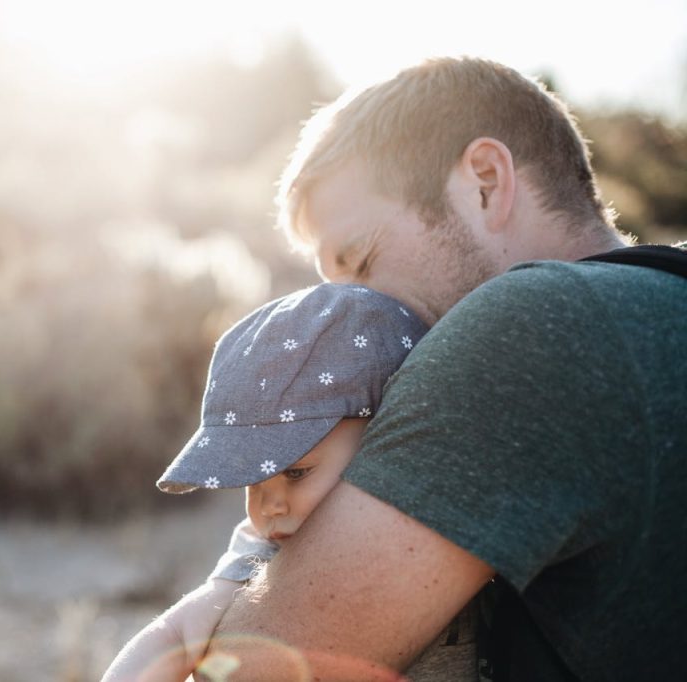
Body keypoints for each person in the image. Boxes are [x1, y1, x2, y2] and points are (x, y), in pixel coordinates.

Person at [198, 57, 687, 680]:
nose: (348, 315)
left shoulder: (528, 326)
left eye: (361, 261)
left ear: (485, 181)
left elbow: (253, 672)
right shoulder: (660, 302)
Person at [102, 283, 482, 682]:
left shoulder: (451, 506)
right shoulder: (265, 552)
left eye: (296, 472)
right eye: (252, 482)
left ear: (385, 436)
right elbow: (175, 632)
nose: (269, 506)